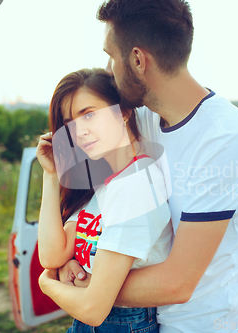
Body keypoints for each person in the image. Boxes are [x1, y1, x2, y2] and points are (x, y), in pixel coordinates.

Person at [45, 0, 238, 332]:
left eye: (111, 55)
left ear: (137, 59)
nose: (108, 69)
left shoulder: (224, 140)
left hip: (196, 325)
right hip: (148, 319)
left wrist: (91, 283)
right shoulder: (143, 117)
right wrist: (78, 261)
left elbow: (177, 283)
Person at [36, 68, 172, 332]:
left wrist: (47, 284)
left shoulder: (136, 185)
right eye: (68, 124)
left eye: (89, 115)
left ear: (123, 111)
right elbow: (52, 255)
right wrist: (51, 175)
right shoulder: (105, 184)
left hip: (122, 323)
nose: (79, 131)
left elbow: (93, 309)